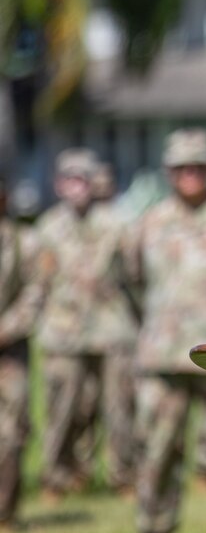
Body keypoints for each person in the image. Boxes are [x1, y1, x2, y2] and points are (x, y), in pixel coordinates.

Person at [124, 128, 206, 533]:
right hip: (164, 352)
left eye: (198, 167)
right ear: (169, 173)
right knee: (158, 447)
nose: (191, 175)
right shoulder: (150, 222)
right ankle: (154, 532)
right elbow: (131, 281)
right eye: (182, 168)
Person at [36, 149, 140, 497]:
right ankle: (57, 477)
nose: (77, 187)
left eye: (83, 179)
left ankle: (123, 476)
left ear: (93, 184)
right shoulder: (48, 228)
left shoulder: (117, 223)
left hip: (111, 327)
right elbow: (41, 280)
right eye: (70, 179)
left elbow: (133, 274)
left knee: (119, 408)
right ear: (59, 184)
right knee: (63, 409)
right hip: (64, 330)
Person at [0, 175, 46, 531]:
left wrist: (6, 329)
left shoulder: (24, 242)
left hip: (9, 350)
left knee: (10, 431)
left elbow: (35, 294)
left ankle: (5, 512)